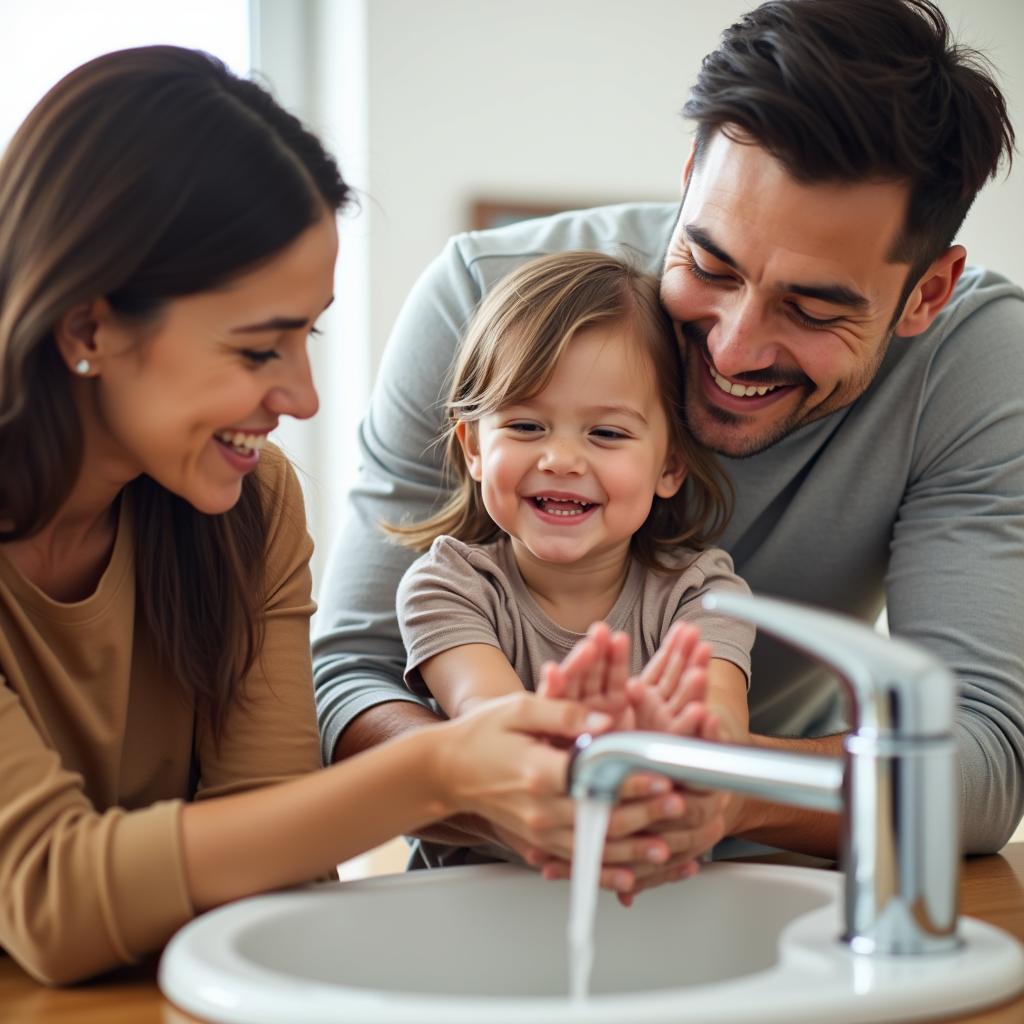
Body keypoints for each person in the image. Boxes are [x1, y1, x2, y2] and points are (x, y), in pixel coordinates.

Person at [313, 0, 1024, 898]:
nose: (731, 349)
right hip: (477, 898)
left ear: (928, 293)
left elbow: (981, 760)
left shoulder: (975, 361)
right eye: (711, 266)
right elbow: (347, 679)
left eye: (811, 309)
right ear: (689, 178)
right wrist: (502, 781)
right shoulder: (483, 302)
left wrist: (729, 787)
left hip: (770, 895)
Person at [0, 46, 618, 986]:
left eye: (307, 334)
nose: (303, 396)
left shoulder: (251, 508)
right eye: (257, 350)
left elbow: (279, 856)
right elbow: (53, 900)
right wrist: (441, 769)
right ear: (89, 329)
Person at [386, 252, 755, 873]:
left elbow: (716, 735)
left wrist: (679, 752)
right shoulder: (445, 588)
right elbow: (496, 731)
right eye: (527, 425)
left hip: (655, 899)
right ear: (474, 446)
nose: (560, 459)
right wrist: (615, 739)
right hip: (472, 914)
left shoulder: (704, 596)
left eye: (606, 434)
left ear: (669, 465)